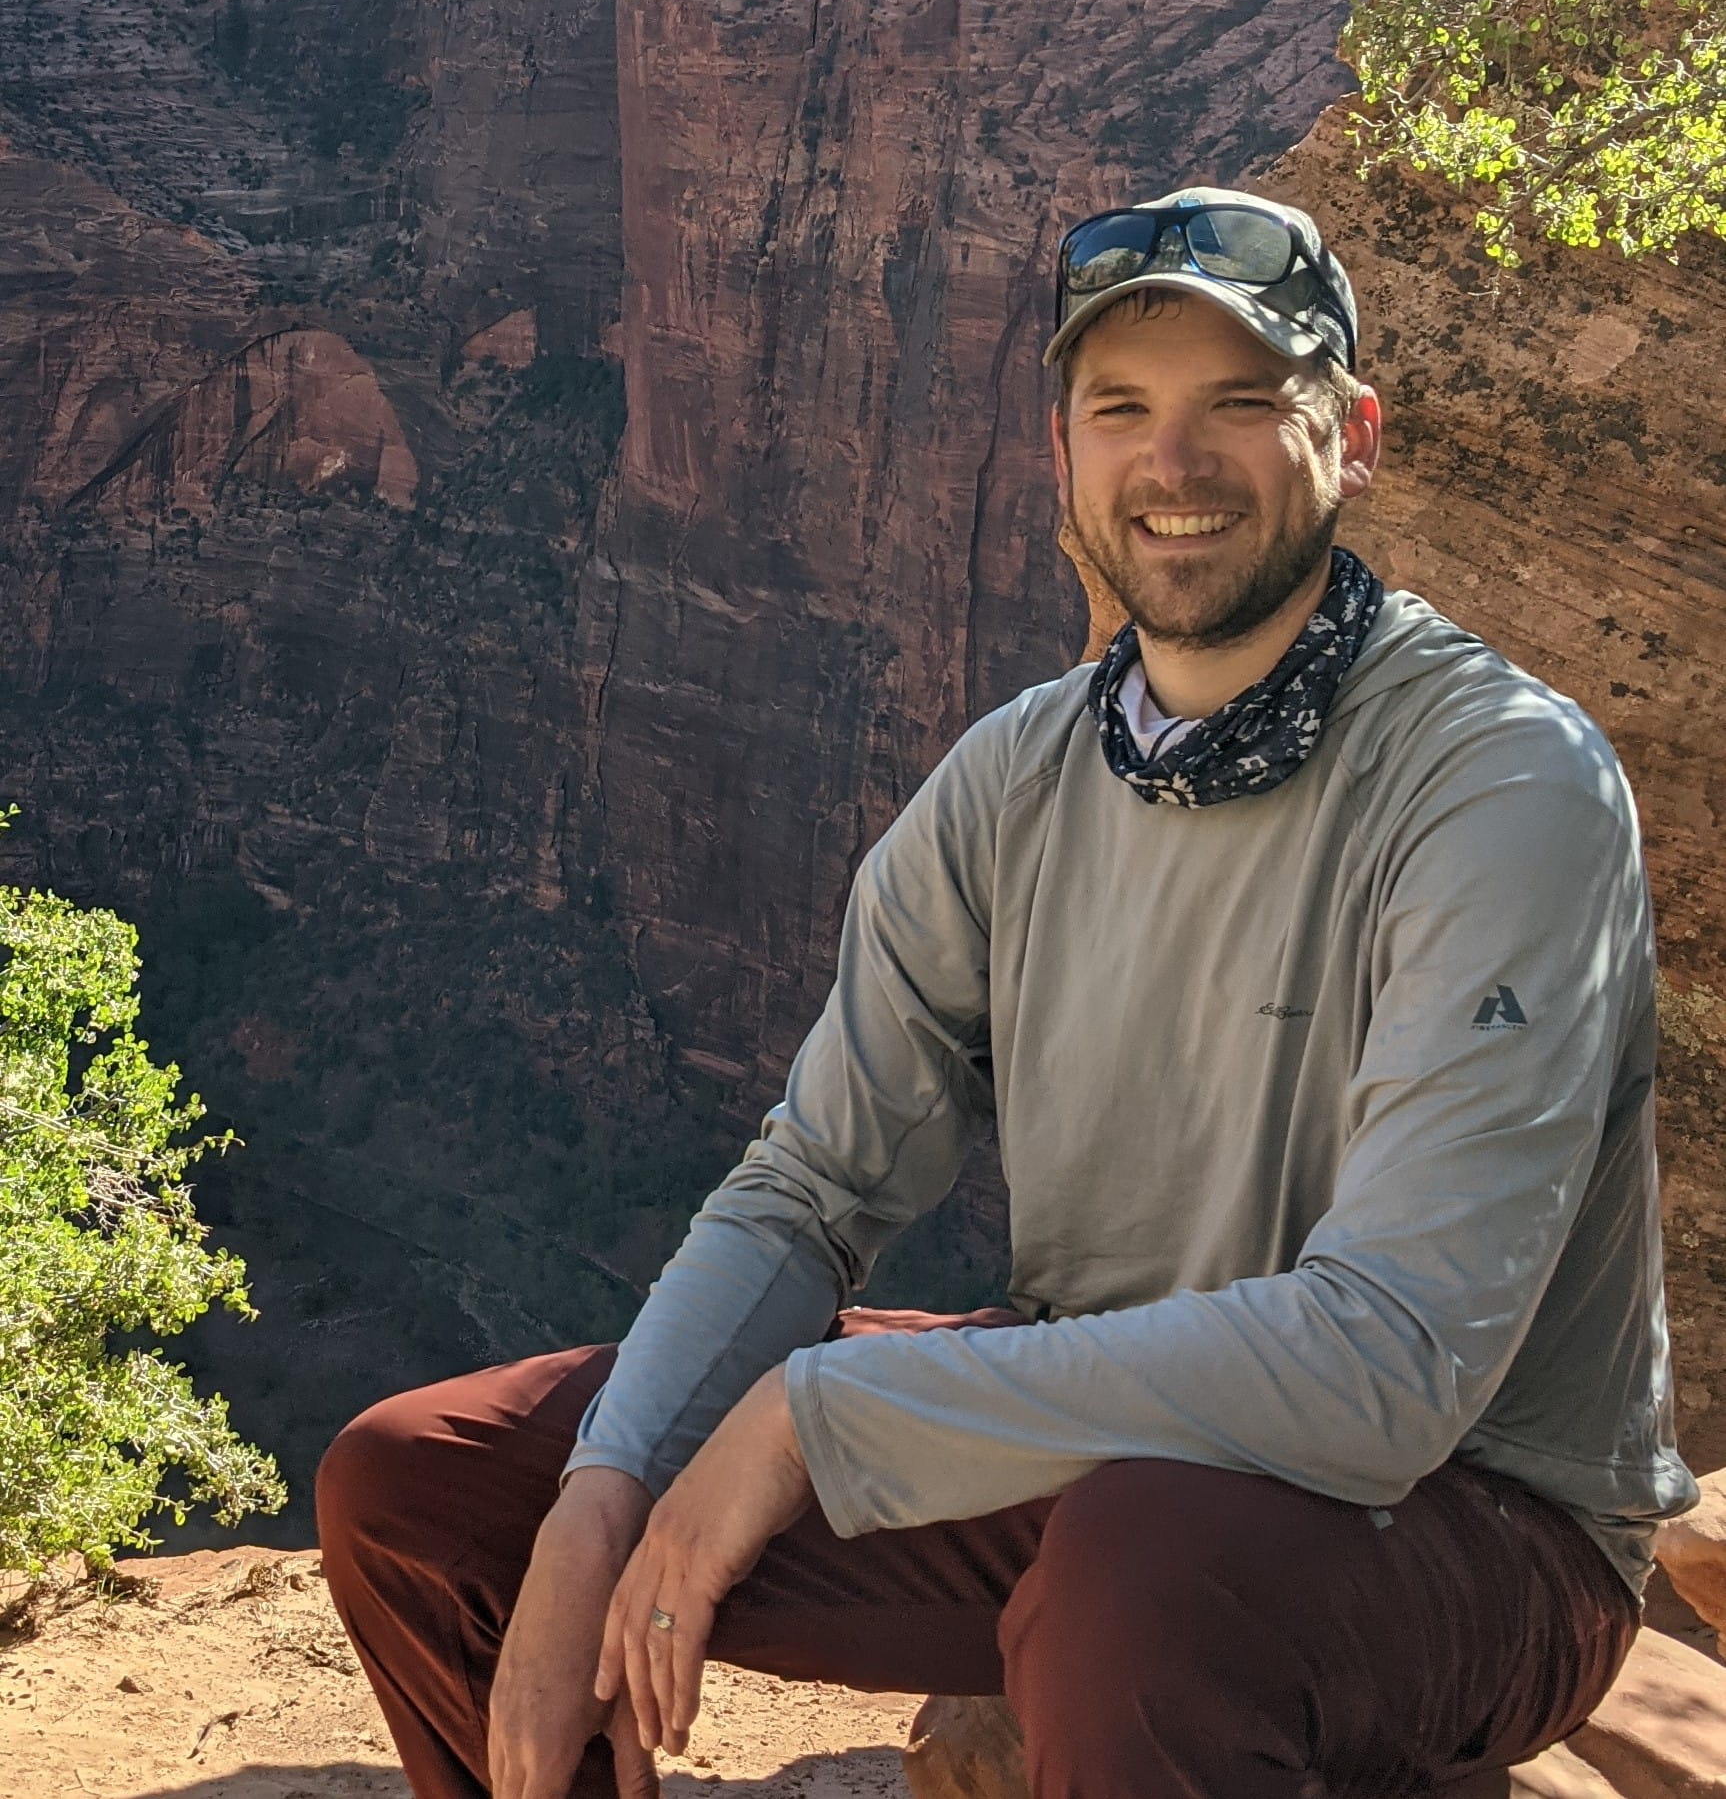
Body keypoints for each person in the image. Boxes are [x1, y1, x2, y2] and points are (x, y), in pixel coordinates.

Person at [317, 187, 1697, 1799]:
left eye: (1239, 407)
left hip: (1468, 1518)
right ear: (1061, 455)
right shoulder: (1014, 780)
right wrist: (606, 1490)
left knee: (1140, 1571)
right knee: (423, 1486)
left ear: (1355, 436)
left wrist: (803, 1418)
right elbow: (809, 1187)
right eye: (1121, 411)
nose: (1171, 467)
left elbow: (1383, 1371)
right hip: (1098, 1450)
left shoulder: (1497, 780)